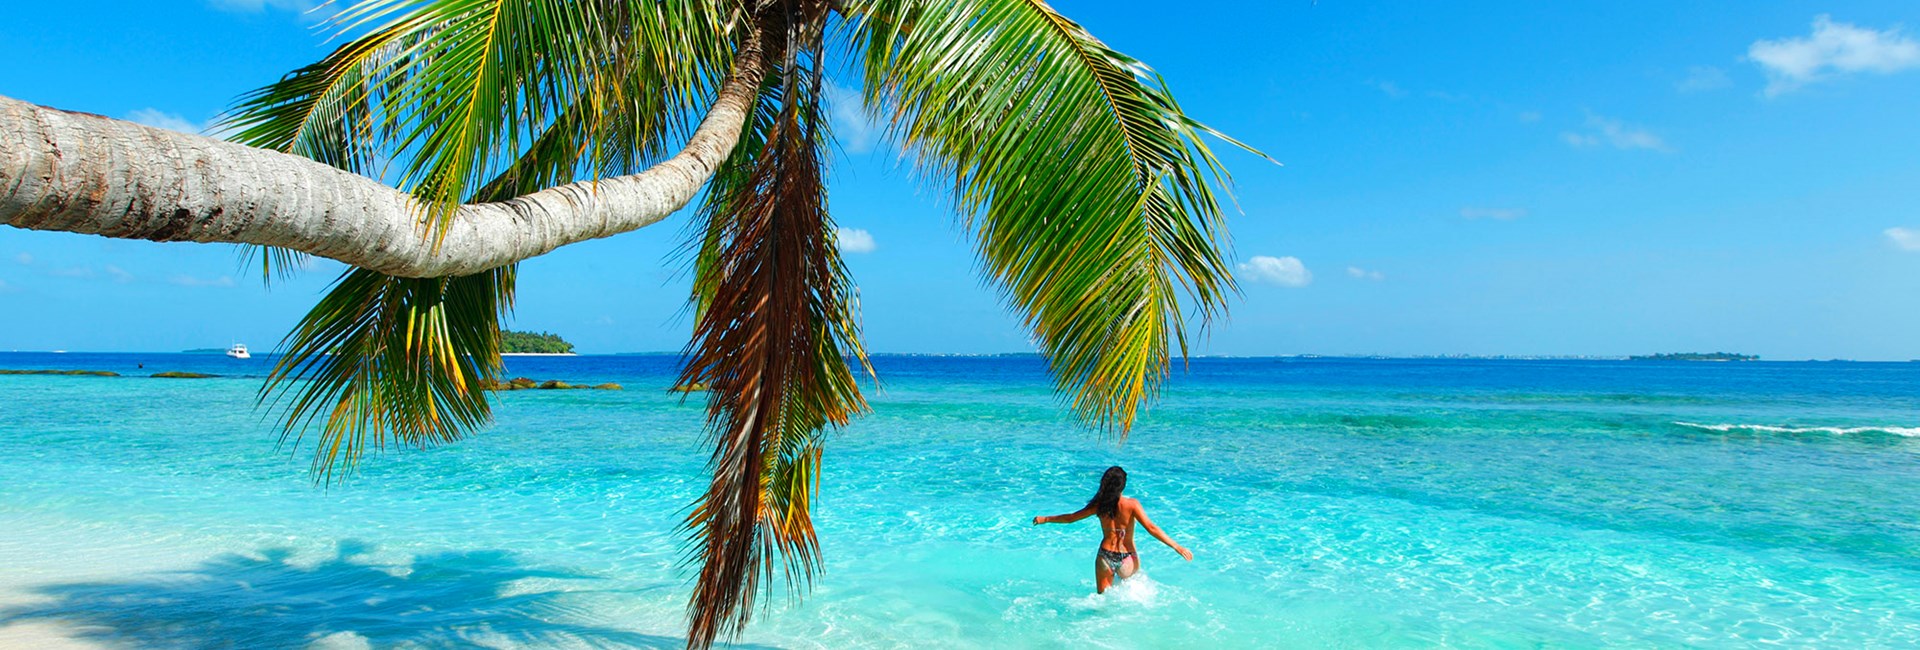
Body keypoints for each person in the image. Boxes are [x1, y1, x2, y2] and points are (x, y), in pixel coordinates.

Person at [1032, 466, 1193, 593]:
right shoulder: (1132, 505)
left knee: (1103, 601)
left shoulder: (1099, 505)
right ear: (1123, 485)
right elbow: (1151, 528)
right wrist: (1177, 546)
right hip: (1127, 559)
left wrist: (1045, 519)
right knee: (1130, 591)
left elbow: (1071, 518)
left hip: (1105, 557)